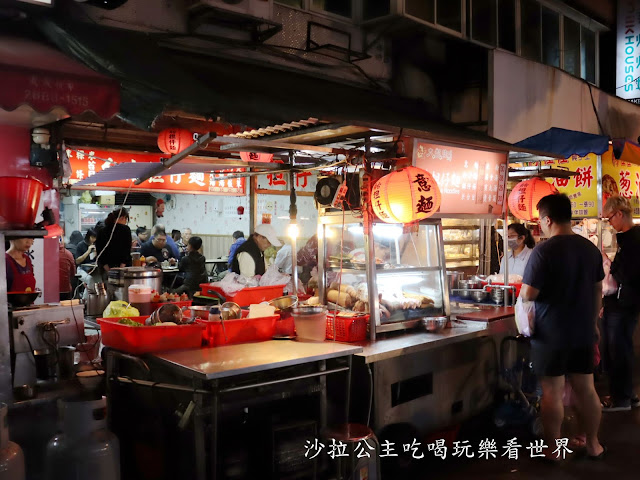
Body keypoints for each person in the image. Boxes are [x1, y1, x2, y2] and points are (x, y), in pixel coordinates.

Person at [521, 193, 605, 460]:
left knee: (552, 392)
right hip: (582, 332)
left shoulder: (543, 251)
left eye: (540, 221)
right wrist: (593, 323)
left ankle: (554, 449)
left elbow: (528, 294)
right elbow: (597, 291)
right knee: (586, 389)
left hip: (550, 334)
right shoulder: (589, 248)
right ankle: (593, 443)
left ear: (548, 219)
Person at [601, 195, 640, 411]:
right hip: (623, 303)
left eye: (609, 218)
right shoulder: (628, 238)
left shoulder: (633, 240)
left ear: (619, 214)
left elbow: (629, 274)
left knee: (619, 350)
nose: (609, 223)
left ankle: (621, 399)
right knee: (621, 349)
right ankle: (627, 394)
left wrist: (610, 264)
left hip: (625, 304)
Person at [95, 207, 132, 272]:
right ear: (123, 217)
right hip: (123, 268)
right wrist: (121, 267)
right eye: (126, 219)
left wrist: (107, 268)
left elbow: (99, 251)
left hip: (105, 268)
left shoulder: (102, 230)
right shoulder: (125, 230)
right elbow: (126, 250)